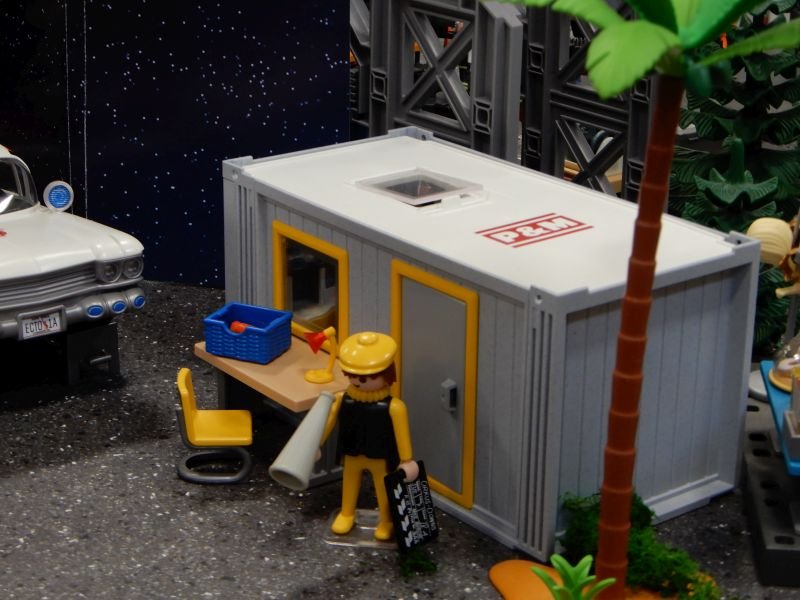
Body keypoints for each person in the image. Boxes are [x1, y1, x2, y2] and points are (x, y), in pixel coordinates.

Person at [320, 331, 419, 541]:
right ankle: (347, 513)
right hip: (351, 451)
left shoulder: (394, 407)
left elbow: (402, 434)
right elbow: (328, 423)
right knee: (349, 482)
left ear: (387, 374)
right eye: (352, 375)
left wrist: (407, 459)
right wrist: (316, 444)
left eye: (366, 378)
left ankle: (387, 520)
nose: (357, 381)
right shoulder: (342, 399)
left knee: (384, 488)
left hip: (380, 455)